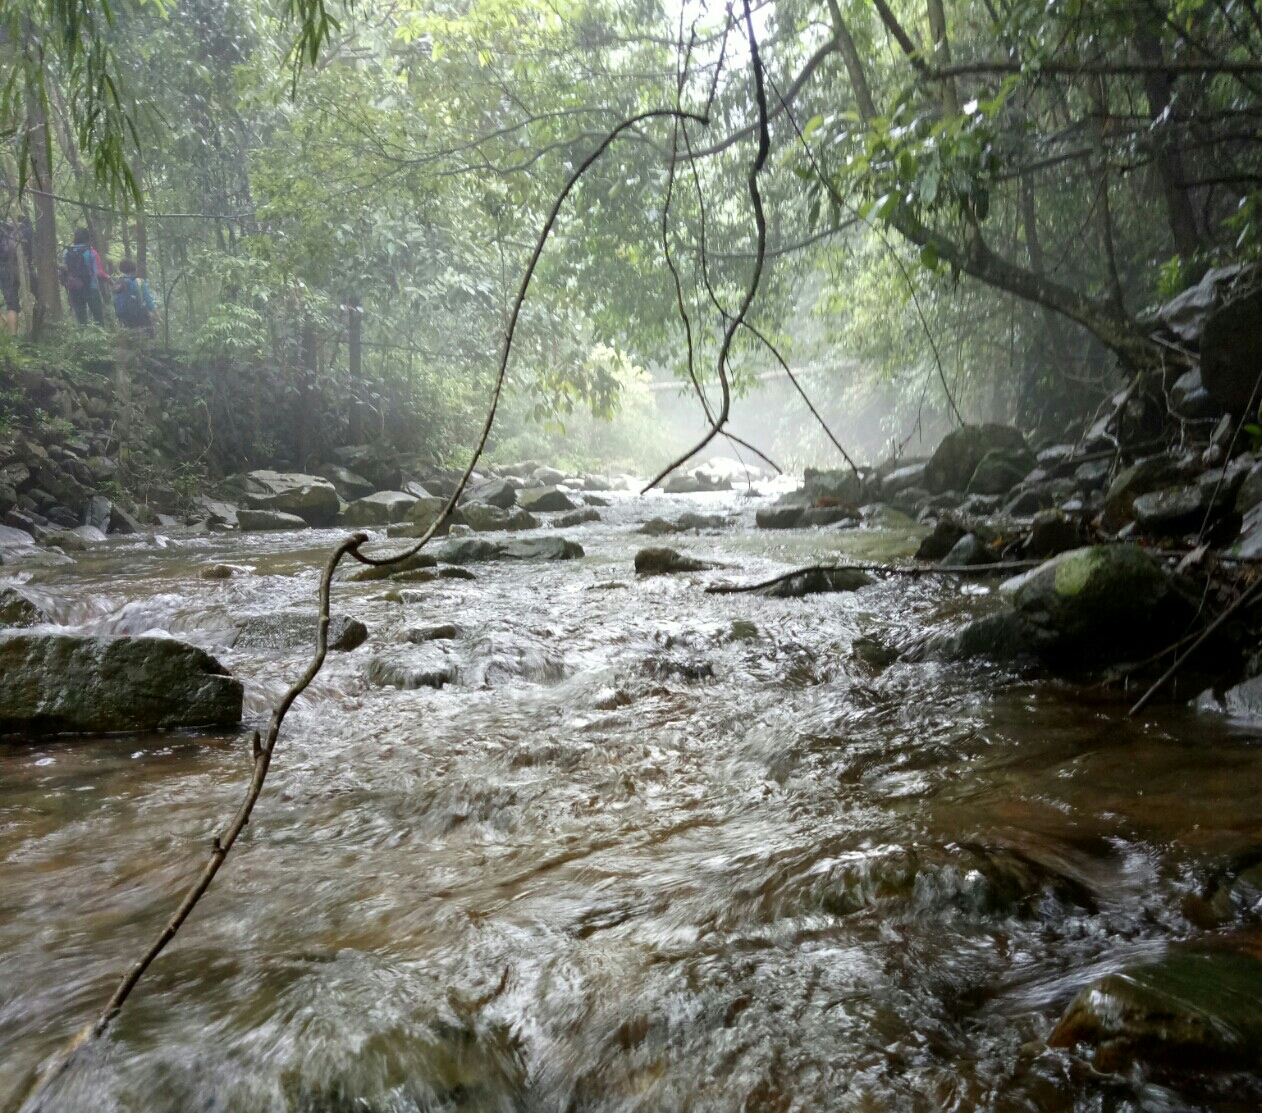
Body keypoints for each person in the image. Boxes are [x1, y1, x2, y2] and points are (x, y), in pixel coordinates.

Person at [62, 228, 109, 326]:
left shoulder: (66, 252)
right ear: (88, 238)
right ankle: (99, 338)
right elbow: (98, 272)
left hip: (74, 287)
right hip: (91, 287)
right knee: (98, 318)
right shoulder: (92, 252)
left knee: (81, 318)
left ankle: (83, 338)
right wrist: (109, 279)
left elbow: (64, 269)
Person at [113, 257, 156, 334]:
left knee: (130, 335)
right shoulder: (139, 281)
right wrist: (156, 314)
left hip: (123, 316)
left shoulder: (119, 282)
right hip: (138, 314)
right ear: (134, 269)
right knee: (147, 335)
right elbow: (148, 300)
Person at [0, 217, 27, 337]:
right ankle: (12, 335)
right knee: (12, 303)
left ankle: (11, 335)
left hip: (5, 269)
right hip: (14, 269)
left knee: (11, 303)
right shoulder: (9, 229)